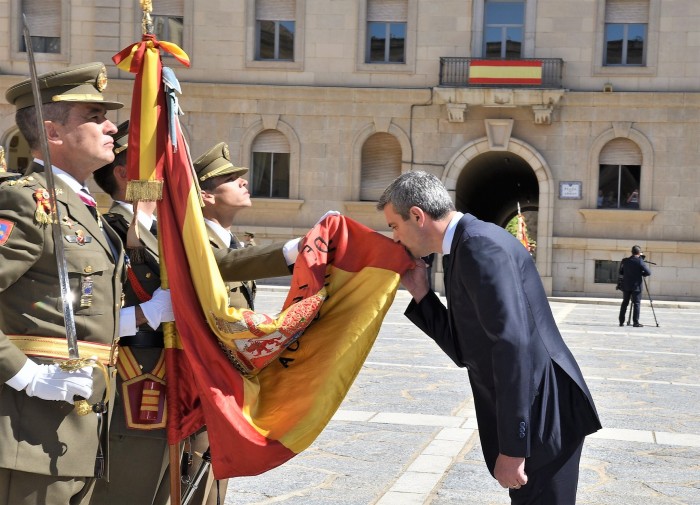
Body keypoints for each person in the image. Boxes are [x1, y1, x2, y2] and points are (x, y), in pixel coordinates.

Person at [0, 62, 173, 505]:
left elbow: (87, 313)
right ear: (54, 133)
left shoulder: (87, 211)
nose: (110, 127)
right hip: (28, 433)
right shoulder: (26, 201)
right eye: (94, 117)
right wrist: (25, 375)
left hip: (84, 431)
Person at [377, 171, 601, 504]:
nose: (395, 238)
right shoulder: (465, 247)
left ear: (417, 216)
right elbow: (468, 350)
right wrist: (423, 294)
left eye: (394, 226)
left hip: (542, 415)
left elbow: (513, 345)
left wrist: (514, 447)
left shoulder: (478, 245)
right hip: (537, 408)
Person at [618, 245, 651, 327]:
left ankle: (621, 321)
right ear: (639, 253)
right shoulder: (640, 261)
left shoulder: (625, 261)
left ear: (632, 252)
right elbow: (648, 272)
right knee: (636, 303)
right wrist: (641, 273)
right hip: (636, 286)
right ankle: (635, 322)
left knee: (625, 303)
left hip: (626, 285)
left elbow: (621, 272)